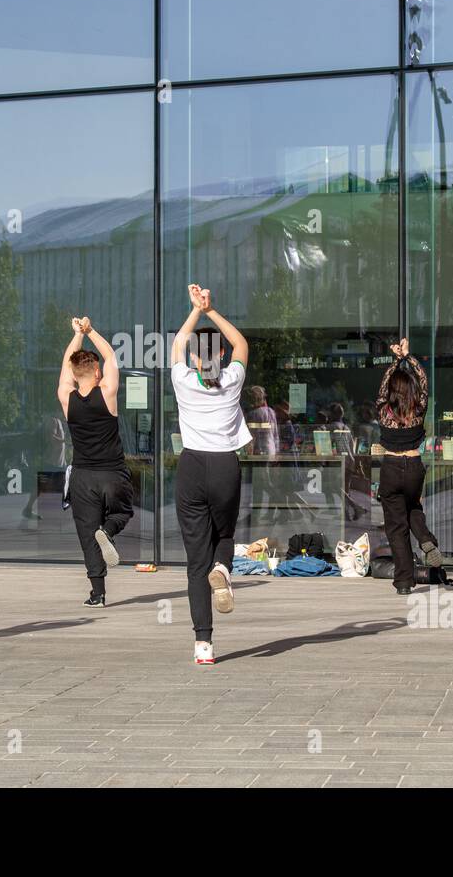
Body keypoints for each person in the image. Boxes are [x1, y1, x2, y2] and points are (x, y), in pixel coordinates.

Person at [171, 284, 250, 666]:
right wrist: (211, 309)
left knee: (194, 562)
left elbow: (181, 342)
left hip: (191, 467)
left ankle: (203, 644)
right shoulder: (232, 379)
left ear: (194, 358)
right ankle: (224, 567)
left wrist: (194, 311)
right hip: (224, 465)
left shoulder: (183, 380)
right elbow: (241, 344)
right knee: (226, 533)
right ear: (220, 354)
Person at [57, 315, 134, 607]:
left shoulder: (68, 398)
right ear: (97, 372)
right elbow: (111, 356)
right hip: (112, 473)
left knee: (87, 535)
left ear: (76, 374)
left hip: (83, 478)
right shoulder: (108, 394)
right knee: (122, 512)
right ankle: (109, 531)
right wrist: (90, 331)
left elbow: (66, 366)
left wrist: (76, 335)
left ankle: (97, 594)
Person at [374, 338, 443, 595]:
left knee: (396, 526)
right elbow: (424, 382)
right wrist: (409, 357)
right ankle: (425, 539)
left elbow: (383, 387)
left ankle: (404, 582)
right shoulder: (419, 408)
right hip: (414, 464)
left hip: (391, 466)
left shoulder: (384, 411)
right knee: (413, 506)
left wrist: (395, 362)